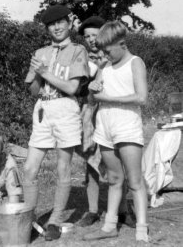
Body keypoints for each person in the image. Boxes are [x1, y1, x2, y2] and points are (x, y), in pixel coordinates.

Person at [23, 4, 89, 241]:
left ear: (70, 23)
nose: (57, 27)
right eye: (52, 24)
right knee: (29, 168)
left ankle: (55, 220)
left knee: (63, 167)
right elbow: (33, 90)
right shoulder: (40, 52)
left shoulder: (78, 50)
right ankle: (28, 219)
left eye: (61, 22)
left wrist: (46, 72)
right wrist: (37, 74)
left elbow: (72, 87)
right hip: (42, 108)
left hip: (65, 108)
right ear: (47, 28)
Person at [83, 21, 149, 245]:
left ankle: (142, 228)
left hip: (127, 127)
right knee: (113, 179)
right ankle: (110, 226)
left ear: (121, 43)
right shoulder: (105, 67)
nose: (105, 55)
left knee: (135, 181)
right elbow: (93, 99)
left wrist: (107, 99)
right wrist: (92, 92)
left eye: (108, 50)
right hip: (105, 128)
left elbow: (141, 97)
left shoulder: (135, 63)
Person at [77, 17, 135, 228]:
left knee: (119, 159)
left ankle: (123, 211)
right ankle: (93, 210)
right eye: (87, 36)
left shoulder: (115, 56)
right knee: (91, 160)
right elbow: (79, 87)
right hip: (90, 111)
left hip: (114, 112)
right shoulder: (81, 57)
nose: (92, 40)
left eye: (95, 35)